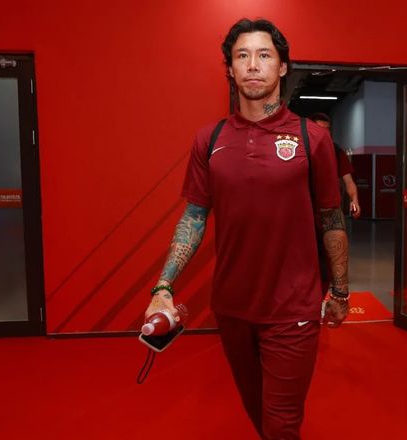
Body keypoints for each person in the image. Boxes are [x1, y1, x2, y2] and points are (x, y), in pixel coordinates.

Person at [144, 18, 350, 440]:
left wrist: (340, 291)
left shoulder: (311, 138)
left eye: (264, 55)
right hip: (233, 306)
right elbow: (194, 216)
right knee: (258, 412)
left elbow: (331, 218)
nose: (253, 65)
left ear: (282, 67)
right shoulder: (210, 139)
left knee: (281, 424)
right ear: (230, 69)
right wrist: (163, 286)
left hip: (292, 307)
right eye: (242, 55)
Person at [308, 112, 361, 219]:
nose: (324, 132)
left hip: (331, 208)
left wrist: (355, 200)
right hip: (307, 208)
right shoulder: (301, 151)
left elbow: (349, 182)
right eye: (320, 128)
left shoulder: (337, 151)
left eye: (327, 129)